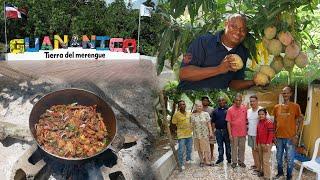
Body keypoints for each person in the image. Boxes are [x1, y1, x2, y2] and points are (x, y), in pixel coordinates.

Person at [178, 13, 255, 90]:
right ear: (226, 24)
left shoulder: (242, 52)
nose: (238, 32)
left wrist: (254, 82)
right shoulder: (203, 41)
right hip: (188, 97)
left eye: (243, 30)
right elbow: (184, 74)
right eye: (234, 26)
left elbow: (232, 84)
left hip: (217, 100)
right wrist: (219, 69)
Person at [273, 87, 303, 180]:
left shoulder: (295, 106)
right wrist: (274, 136)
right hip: (279, 138)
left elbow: (301, 120)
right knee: (279, 158)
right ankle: (280, 173)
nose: (285, 95)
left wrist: (297, 135)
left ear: (290, 94)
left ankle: (289, 177)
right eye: (283, 93)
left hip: (290, 138)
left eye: (287, 93)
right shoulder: (276, 107)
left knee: (290, 159)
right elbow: (275, 121)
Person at [247, 95, 271, 171]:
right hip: (250, 134)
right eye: (251, 101)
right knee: (253, 151)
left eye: (254, 101)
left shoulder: (261, 110)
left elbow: (268, 120)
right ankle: (256, 164)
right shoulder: (249, 111)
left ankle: (259, 168)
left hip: (258, 135)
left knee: (258, 152)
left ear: (257, 101)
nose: (252, 102)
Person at [226, 93, 247, 168]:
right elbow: (228, 122)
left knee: (242, 148)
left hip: (243, 132)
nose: (238, 102)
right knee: (234, 148)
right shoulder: (230, 109)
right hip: (234, 133)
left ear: (241, 101)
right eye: (236, 100)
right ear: (234, 100)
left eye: (239, 100)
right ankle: (234, 162)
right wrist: (230, 135)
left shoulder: (244, 108)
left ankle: (241, 161)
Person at [191, 101, 214, 167]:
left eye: (200, 106)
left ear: (202, 106)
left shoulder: (206, 114)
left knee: (206, 148)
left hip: (205, 134)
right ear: (196, 107)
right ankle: (201, 161)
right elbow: (192, 125)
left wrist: (211, 132)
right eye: (197, 106)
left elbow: (209, 124)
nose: (199, 107)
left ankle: (207, 161)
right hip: (196, 135)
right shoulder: (193, 115)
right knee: (199, 148)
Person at [172, 100, 193, 170]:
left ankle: (188, 158)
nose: (182, 106)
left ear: (185, 105)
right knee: (181, 150)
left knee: (189, 149)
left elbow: (191, 121)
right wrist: (176, 132)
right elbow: (173, 124)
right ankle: (181, 164)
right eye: (181, 105)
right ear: (179, 106)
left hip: (189, 134)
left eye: (183, 104)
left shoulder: (189, 113)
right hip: (181, 135)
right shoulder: (176, 115)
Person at [211, 96, 231, 165]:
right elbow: (213, 122)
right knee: (220, 146)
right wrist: (213, 131)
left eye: (223, 100)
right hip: (218, 131)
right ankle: (220, 159)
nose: (221, 102)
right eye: (220, 101)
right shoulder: (215, 111)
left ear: (225, 101)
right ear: (218, 102)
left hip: (227, 131)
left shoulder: (229, 110)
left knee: (228, 146)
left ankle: (229, 159)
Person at [256, 108, 274, 179]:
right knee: (261, 159)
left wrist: (267, 144)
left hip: (267, 144)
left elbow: (271, 134)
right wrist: (257, 144)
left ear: (266, 114)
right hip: (260, 143)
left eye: (262, 114)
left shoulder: (269, 122)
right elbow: (258, 134)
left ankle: (267, 176)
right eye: (259, 114)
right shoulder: (259, 122)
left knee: (265, 160)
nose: (261, 116)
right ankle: (263, 172)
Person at [201, 96, 215, 162]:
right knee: (203, 143)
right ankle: (205, 156)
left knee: (211, 143)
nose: (205, 102)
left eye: (206, 100)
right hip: (202, 130)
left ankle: (212, 155)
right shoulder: (199, 109)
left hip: (210, 129)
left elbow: (213, 120)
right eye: (204, 100)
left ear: (208, 102)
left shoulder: (211, 109)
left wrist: (212, 130)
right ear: (202, 101)